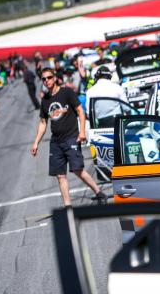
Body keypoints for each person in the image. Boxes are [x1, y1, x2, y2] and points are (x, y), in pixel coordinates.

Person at [31, 67, 107, 207]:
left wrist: (82, 132)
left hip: (71, 137)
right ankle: (68, 207)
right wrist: (36, 142)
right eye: (44, 79)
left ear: (55, 78)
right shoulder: (45, 100)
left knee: (78, 170)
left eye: (49, 77)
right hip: (56, 141)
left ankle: (98, 192)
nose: (46, 81)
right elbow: (43, 122)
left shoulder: (67, 92)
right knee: (60, 175)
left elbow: (80, 111)